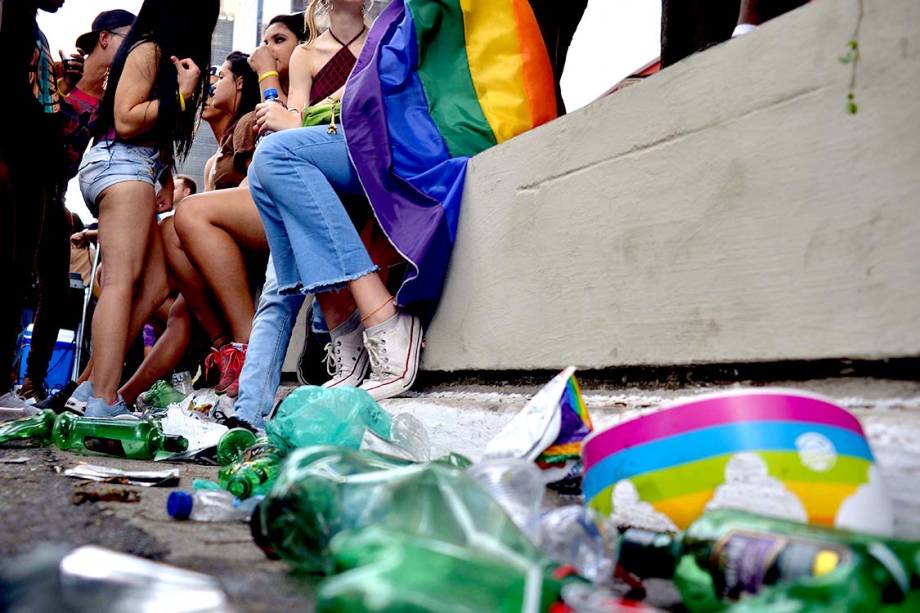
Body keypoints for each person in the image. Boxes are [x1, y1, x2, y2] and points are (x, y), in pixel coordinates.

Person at [248, 0, 422, 410]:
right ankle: (343, 325)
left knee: (272, 156)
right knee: (262, 169)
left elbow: (310, 120)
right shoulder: (305, 53)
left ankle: (381, 318)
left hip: (375, 150)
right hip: (328, 155)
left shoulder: (388, 31)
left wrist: (294, 119)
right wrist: (278, 100)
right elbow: (293, 116)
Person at [73, 0, 219, 417]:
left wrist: (167, 175)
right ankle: (103, 397)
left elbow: (150, 129)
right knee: (120, 282)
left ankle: (89, 388)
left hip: (133, 166)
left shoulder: (160, 54)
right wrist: (182, 95)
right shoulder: (149, 49)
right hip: (120, 164)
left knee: (156, 282)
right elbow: (126, 117)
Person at [174, 15, 306, 398]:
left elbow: (279, 142)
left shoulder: (303, 81)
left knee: (190, 212)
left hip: (293, 202)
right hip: (271, 203)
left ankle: (247, 344)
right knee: (172, 230)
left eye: (279, 40)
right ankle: (225, 346)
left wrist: (266, 74)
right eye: (264, 41)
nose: (266, 50)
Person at [17, 9, 135, 402]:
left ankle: (32, 380)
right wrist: (72, 85)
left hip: (51, 198)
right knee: (19, 284)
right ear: (105, 39)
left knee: (54, 289)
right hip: (30, 190)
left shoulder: (115, 99)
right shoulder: (60, 83)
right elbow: (49, 139)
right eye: (126, 38)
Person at [0, 0, 67, 400]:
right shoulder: (12, 13)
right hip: (15, 168)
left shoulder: (30, 22)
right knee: (8, 277)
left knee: (16, 280)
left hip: (32, 174)